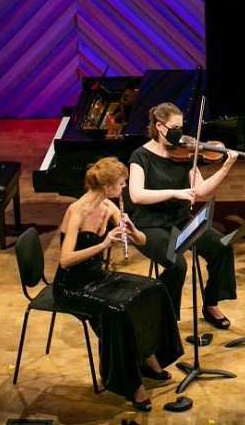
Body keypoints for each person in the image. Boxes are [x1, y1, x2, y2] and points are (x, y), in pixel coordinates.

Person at [53, 157, 183, 412]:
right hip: (71, 286)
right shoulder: (76, 211)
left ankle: (149, 357)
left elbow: (143, 241)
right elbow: (65, 260)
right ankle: (132, 385)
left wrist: (134, 231)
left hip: (98, 277)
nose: (123, 189)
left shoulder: (108, 206)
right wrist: (102, 245)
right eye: (121, 184)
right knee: (119, 311)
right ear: (108, 185)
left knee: (153, 289)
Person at [127, 102, 238, 328]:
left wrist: (225, 168)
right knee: (177, 264)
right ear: (159, 126)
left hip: (180, 222)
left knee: (222, 246)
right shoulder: (140, 156)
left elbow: (202, 191)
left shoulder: (184, 153)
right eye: (175, 127)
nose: (181, 133)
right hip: (150, 226)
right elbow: (137, 195)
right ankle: (163, 321)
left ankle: (211, 304)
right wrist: (176, 193)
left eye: (182, 126)